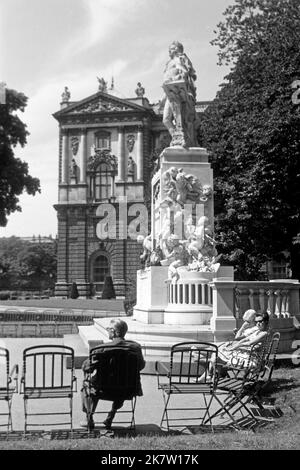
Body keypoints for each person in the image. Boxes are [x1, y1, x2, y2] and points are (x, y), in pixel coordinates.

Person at [80, 319, 145, 430]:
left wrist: (85, 365)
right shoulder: (135, 348)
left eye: (109, 329)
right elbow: (141, 366)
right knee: (122, 380)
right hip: (128, 390)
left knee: (87, 386)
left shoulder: (101, 349)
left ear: (115, 332)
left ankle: (89, 417)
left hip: (103, 389)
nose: (107, 331)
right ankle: (111, 415)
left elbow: (87, 368)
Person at [195, 312, 270, 382]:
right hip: (245, 353)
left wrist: (236, 346)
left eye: (260, 321)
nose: (258, 324)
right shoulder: (257, 331)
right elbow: (244, 339)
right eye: (256, 322)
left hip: (251, 357)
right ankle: (212, 374)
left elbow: (250, 343)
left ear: (266, 321)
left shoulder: (264, 333)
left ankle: (212, 374)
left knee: (218, 353)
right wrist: (236, 345)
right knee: (218, 352)